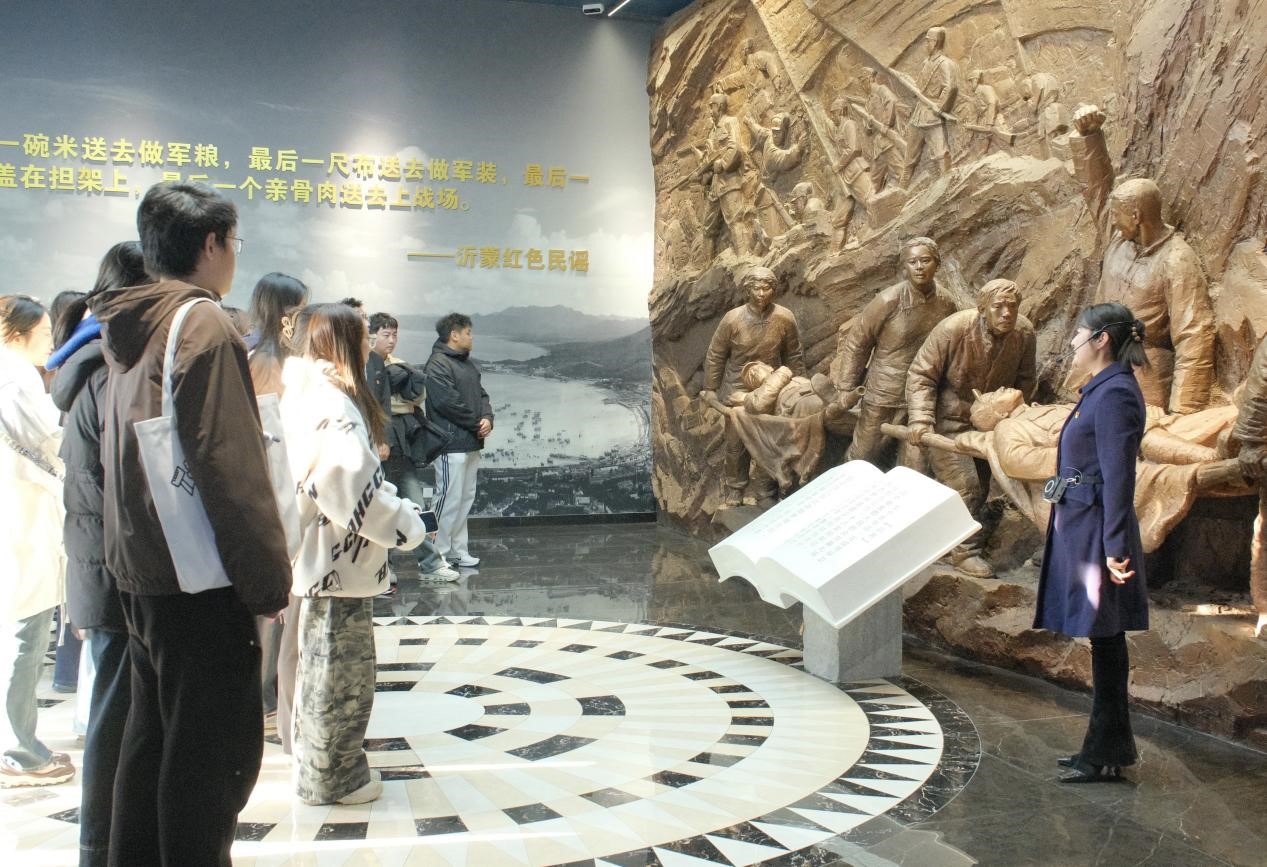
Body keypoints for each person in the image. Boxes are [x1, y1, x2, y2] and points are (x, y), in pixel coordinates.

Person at [90, 181, 291, 864]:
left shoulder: (131, 322)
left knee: (151, 745)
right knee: (210, 764)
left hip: (143, 571)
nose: (234, 255)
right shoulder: (201, 323)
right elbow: (230, 470)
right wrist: (266, 581)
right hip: (200, 578)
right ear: (210, 244)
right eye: (233, 242)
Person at [280, 304, 430, 805]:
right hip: (339, 563)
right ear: (343, 342)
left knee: (320, 671)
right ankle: (335, 777)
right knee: (342, 680)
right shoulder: (333, 406)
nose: (369, 343)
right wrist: (407, 525)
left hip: (321, 557)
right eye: (363, 335)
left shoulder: (306, 394)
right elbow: (351, 489)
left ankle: (318, 770)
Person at [46, 242, 148, 863]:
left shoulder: (90, 362)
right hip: (118, 568)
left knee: (118, 707)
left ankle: (111, 841)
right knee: (115, 714)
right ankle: (103, 845)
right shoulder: (110, 372)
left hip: (105, 564)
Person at [1033, 303, 1150, 783]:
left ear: (1101, 339)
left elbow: (1120, 477)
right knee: (1103, 638)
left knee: (1106, 637)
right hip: (1082, 523)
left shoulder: (1116, 393)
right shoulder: (1100, 389)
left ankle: (1104, 752)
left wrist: (1115, 546)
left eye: (1078, 333)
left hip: (1099, 529)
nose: (1072, 342)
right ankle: (1105, 748)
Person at [1069, 105, 1215, 413]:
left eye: (1118, 214)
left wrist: (1184, 411)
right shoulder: (1119, 239)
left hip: (1142, 375)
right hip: (1094, 365)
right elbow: (1097, 192)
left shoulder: (1176, 260)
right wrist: (1090, 136)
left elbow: (1194, 336)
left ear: (1136, 216)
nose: (1112, 219)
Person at [905, 279, 1037, 577]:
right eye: (998, 307)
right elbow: (921, 375)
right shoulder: (953, 329)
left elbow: (1026, 381)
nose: (1006, 313)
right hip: (948, 422)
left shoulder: (1024, 333)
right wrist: (921, 419)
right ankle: (964, 552)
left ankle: (943, 540)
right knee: (967, 486)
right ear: (982, 309)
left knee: (983, 486)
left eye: (1012, 307)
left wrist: (1014, 421)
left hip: (990, 425)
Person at [0, 295, 72, 789]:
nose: (51, 342)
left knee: (19, 638)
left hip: (20, 522)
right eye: (45, 334)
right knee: (24, 641)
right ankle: (18, 753)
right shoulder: (16, 380)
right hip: (22, 524)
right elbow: (51, 443)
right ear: (16, 334)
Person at [244, 272, 309, 751]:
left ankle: (271, 699)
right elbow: (273, 440)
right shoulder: (267, 363)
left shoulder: (268, 356)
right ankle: (266, 702)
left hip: (282, 492)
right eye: (300, 309)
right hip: (276, 495)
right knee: (276, 609)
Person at [834, 236, 957, 467]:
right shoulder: (887, 300)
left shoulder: (947, 303)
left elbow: (951, 349)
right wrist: (846, 387)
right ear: (904, 267)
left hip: (923, 396)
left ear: (937, 264)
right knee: (863, 455)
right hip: (884, 392)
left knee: (915, 463)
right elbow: (858, 343)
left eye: (925, 260)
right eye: (912, 262)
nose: (919, 267)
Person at [701, 266, 805, 507]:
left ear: (773, 289)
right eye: (756, 288)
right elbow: (716, 355)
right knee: (736, 443)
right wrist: (710, 388)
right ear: (747, 290)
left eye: (766, 288)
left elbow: (794, 354)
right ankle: (735, 488)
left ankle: (765, 491)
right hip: (737, 388)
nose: (761, 293)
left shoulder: (784, 317)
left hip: (770, 386)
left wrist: (799, 386)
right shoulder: (732, 319)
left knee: (769, 441)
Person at [369, 312, 459, 583]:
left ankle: (431, 563)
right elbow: (375, 404)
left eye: (395, 335)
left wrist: (393, 401)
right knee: (381, 507)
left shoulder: (398, 365)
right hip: (375, 442)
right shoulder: (365, 366)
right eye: (386, 335)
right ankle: (383, 569)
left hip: (401, 443)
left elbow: (416, 398)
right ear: (372, 336)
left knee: (416, 505)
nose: (392, 340)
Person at [425, 313, 493, 567]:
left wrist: (487, 418)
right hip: (449, 444)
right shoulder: (437, 364)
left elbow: (482, 395)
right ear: (454, 335)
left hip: (470, 442)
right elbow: (447, 403)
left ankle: (456, 550)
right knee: (447, 499)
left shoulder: (468, 364)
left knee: (464, 498)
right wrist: (477, 423)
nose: (471, 337)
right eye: (468, 333)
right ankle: (435, 555)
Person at [900, 27, 960, 188]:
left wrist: (940, 107)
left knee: (941, 153)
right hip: (919, 114)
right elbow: (920, 88)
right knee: (909, 157)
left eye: (928, 41)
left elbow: (950, 87)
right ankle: (902, 189)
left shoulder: (944, 64)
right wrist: (908, 82)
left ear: (936, 42)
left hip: (932, 115)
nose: (926, 44)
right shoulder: (926, 63)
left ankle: (948, 186)